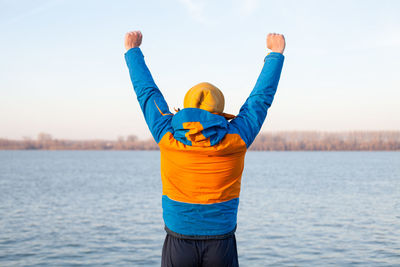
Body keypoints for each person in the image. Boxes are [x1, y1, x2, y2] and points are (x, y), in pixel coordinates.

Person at [124, 30, 285, 267]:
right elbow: (259, 100)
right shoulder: (237, 138)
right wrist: (275, 54)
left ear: (186, 106)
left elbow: (147, 94)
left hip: (179, 239)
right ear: (220, 111)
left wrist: (132, 52)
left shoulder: (167, 135)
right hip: (221, 241)